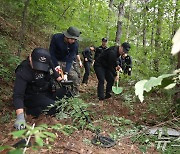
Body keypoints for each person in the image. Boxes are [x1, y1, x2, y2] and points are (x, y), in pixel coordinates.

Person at [13, 48, 66, 130]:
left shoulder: (48, 62)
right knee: (53, 106)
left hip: (46, 91)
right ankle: (32, 112)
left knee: (66, 93)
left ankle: (49, 105)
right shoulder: (23, 70)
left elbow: (54, 73)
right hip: (32, 96)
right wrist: (20, 117)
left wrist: (62, 80)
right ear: (30, 58)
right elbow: (18, 95)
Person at [49, 26, 82, 95]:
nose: (73, 41)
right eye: (72, 39)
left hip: (65, 61)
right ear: (67, 36)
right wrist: (56, 65)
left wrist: (66, 72)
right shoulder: (56, 38)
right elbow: (51, 53)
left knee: (74, 76)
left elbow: (70, 59)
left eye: (75, 39)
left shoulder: (75, 44)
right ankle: (54, 92)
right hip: (54, 60)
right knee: (52, 74)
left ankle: (74, 94)